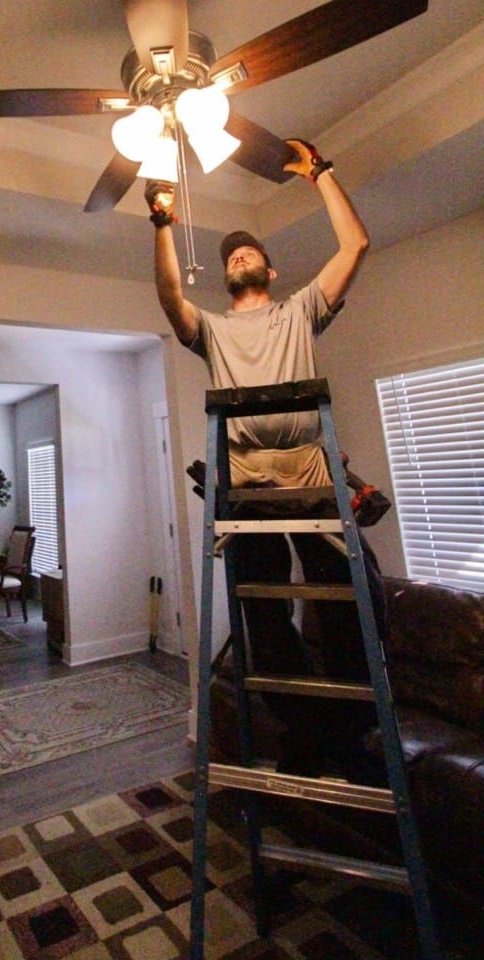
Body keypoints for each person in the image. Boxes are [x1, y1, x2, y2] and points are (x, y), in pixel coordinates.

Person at [146, 137, 382, 778]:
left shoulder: (302, 310)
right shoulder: (213, 329)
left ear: (270, 273)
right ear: (225, 279)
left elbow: (354, 246)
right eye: (231, 256)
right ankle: (307, 730)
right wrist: (163, 222)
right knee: (264, 614)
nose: (240, 254)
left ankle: (351, 725)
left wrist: (321, 174)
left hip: (310, 468)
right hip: (246, 481)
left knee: (356, 592)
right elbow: (171, 297)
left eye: (250, 252)